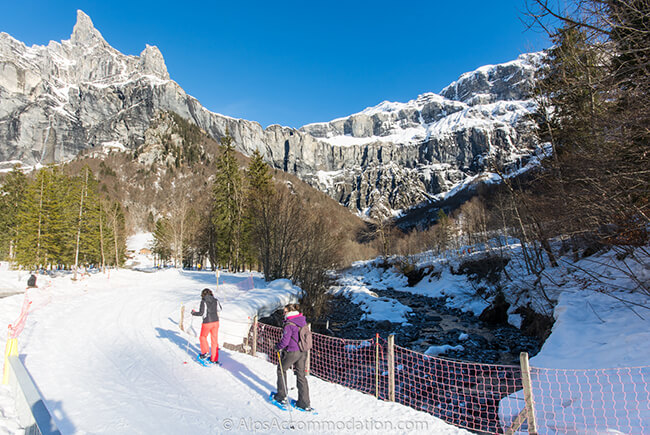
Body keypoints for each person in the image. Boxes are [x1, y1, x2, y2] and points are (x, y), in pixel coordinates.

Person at [274, 303, 311, 410]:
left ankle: (281, 396)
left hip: (292, 351)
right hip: (303, 352)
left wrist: (278, 346)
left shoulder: (289, 324)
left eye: (285, 312)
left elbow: (285, 341)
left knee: (281, 369)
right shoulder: (302, 320)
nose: (283, 314)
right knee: (301, 375)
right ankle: (304, 402)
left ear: (289, 312)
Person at [191, 288, 221, 364]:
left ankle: (205, 352)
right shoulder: (215, 300)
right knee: (214, 340)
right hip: (216, 322)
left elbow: (201, 313)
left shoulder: (203, 301)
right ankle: (214, 359)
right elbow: (219, 309)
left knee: (203, 337)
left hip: (207, 322)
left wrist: (194, 313)